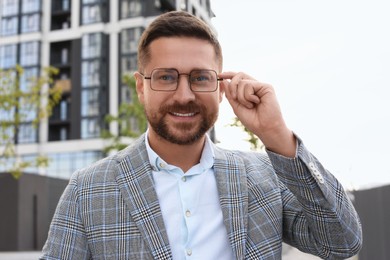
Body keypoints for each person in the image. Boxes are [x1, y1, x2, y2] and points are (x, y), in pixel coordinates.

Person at [41, 11, 362, 260]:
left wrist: (277, 134)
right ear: (141, 87)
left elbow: (342, 243)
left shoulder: (264, 177)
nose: (184, 95)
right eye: (166, 77)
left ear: (221, 87)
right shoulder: (88, 189)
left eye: (200, 77)